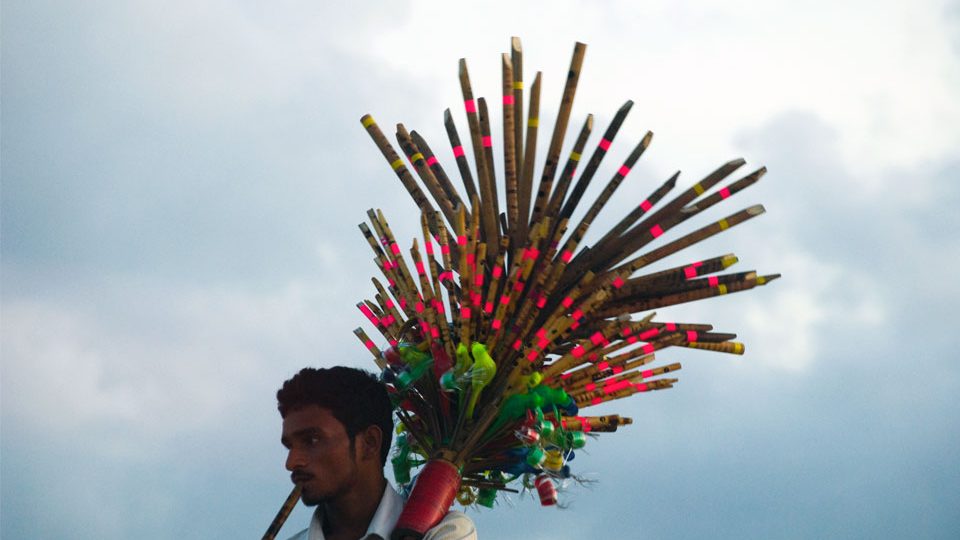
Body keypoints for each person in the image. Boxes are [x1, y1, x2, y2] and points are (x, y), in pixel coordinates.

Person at [277, 366, 477, 540]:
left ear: (369, 442)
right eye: (289, 446)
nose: (291, 462)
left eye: (312, 440)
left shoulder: (449, 531)